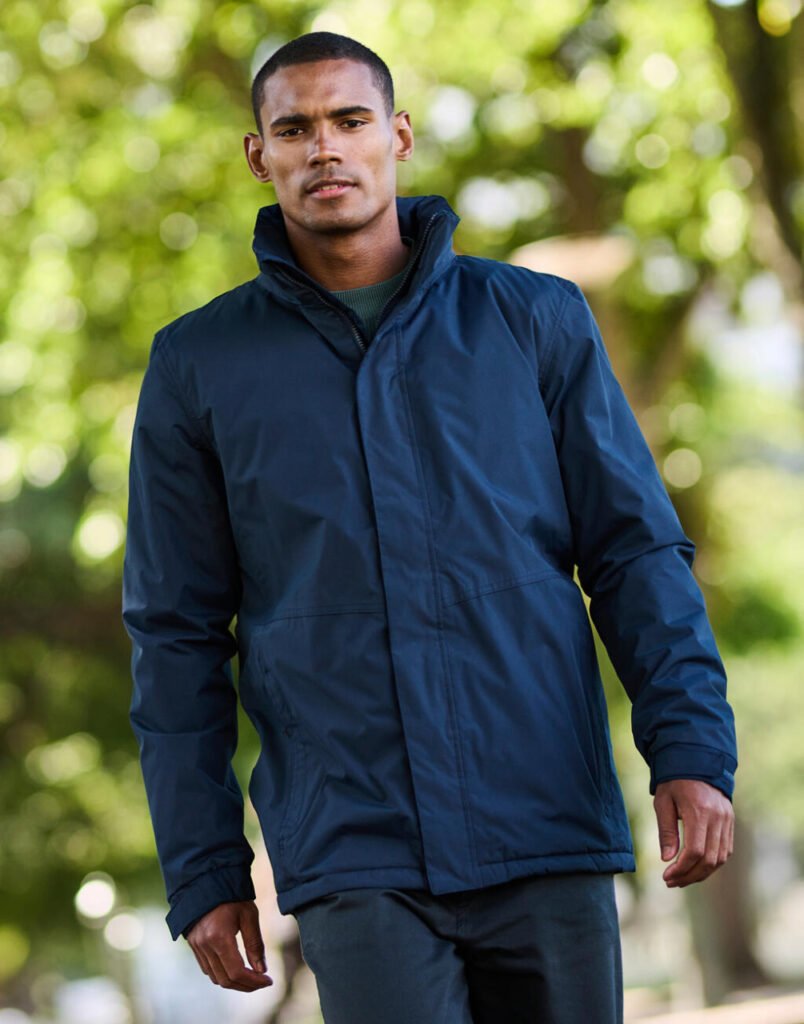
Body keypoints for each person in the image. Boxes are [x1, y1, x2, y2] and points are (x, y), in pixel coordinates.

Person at [121, 30, 738, 1024]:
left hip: (544, 817)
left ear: (398, 136)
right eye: (295, 128)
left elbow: (634, 553)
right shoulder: (199, 365)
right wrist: (204, 867)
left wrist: (693, 749)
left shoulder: (533, 319)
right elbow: (175, 635)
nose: (326, 147)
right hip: (352, 848)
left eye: (350, 120)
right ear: (259, 155)